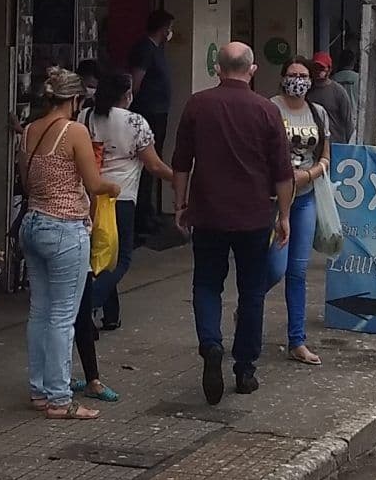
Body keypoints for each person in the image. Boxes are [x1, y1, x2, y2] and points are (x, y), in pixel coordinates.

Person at [169, 42, 294, 405]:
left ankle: (210, 344)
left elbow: (181, 161)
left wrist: (180, 204)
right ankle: (245, 369)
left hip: (208, 213)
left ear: (217, 70)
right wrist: (284, 215)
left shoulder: (197, 104)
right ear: (252, 70)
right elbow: (282, 173)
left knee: (207, 284)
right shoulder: (266, 110)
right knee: (251, 292)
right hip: (255, 216)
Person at [15, 68, 112, 421]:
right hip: (65, 228)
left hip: (32, 223)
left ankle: (39, 390)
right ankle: (59, 398)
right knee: (62, 316)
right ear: (74, 100)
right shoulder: (75, 131)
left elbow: (26, 181)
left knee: (39, 311)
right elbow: (94, 183)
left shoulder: (29, 132)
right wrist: (113, 188)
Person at [80, 69, 178, 336]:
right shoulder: (135, 122)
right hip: (120, 198)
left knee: (97, 255)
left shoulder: (85, 116)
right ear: (126, 94)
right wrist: (178, 179)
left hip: (89, 197)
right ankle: (86, 306)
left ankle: (111, 316)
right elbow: (155, 165)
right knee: (119, 259)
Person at [269, 60, 330, 366]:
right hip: (270, 200)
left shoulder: (318, 113)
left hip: (304, 198)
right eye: (292, 75)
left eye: (303, 76)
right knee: (273, 269)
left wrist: (311, 173)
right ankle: (250, 301)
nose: (298, 80)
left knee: (298, 271)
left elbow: (325, 155)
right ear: (282, 79)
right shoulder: (269, 109)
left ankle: (297, 340)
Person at [126, 8, 176, 150]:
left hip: (159, 111)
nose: (171, 32)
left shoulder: (158, 48)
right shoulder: (145, 49)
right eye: (170, 28)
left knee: (158, 146)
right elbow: (135, 82)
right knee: (149, 149)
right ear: (164, 29)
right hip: (148, 111)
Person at [305, 52, 356, 146]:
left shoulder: (338, 91)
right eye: (315, 68)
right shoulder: (306, 90)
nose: (318, 71)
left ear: (329, 70)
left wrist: (351, 148)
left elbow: (348, 122)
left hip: (335, 145)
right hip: (313, 145)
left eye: (321, 68)